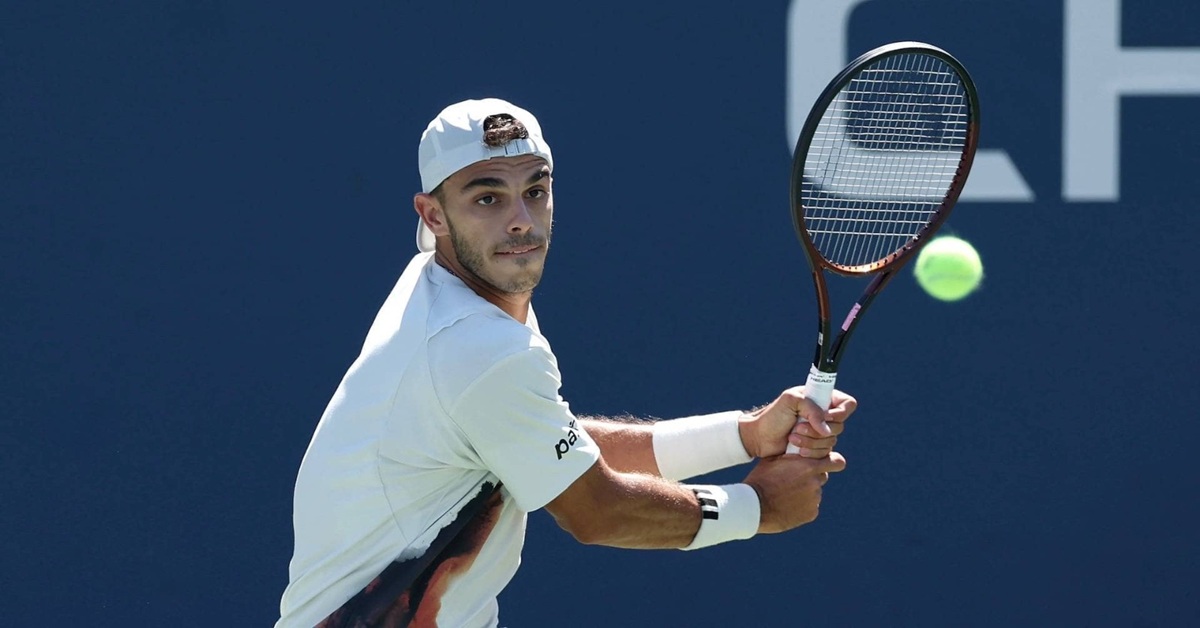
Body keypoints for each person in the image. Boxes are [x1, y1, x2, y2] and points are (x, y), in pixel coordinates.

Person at [275, 98, 858, 628]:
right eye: (487, 198)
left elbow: (553, 447)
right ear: (434, 215)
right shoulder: (478, 346)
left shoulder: (450, 294)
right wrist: (760, 507)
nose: (521, 220)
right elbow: (597, 511)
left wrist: (745, 436)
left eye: (535, 190)